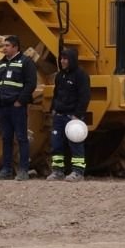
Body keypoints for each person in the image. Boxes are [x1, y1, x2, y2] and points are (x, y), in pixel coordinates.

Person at [0, 35, 37, 181]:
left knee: (22, 138)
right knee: (6, 138)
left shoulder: (26, 62)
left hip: (17, 107)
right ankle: (6, 170)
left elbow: (31, 83)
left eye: (7, 46)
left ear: (15, 47)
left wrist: (20, 101)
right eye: (3, 46)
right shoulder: (0, 64)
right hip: (2, 106)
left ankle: (23, 170)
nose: (4, 48)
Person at [48, 48, 90, 181]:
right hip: (59, 116)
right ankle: (57, 171)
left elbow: (85, 96)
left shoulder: (81, 75)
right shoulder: (60, 76)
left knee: (75, 144)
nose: (62, 61)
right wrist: (53, 109)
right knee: (56, 144)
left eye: (65, 59)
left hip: (73, 117)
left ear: (72, 60)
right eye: (61, 58)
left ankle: (78, 172)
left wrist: (78, 115)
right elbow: (56, 94)